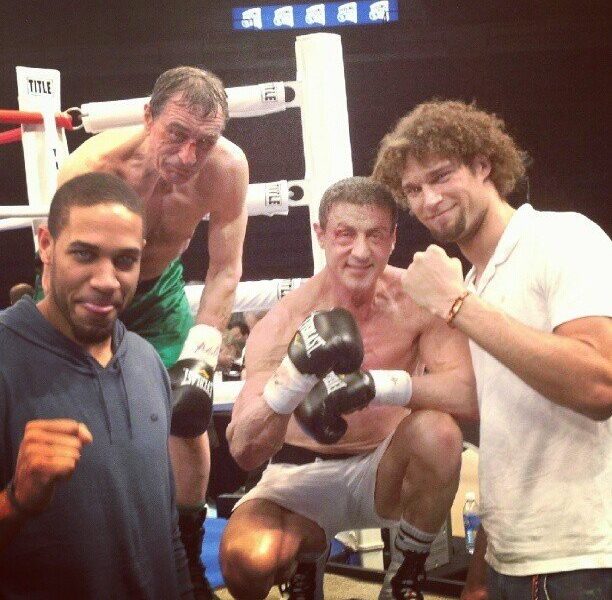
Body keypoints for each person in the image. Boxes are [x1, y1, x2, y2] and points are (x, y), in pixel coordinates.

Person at [373, 99, 612, 600]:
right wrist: (481, 574)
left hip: (585, 561)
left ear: (483, 165)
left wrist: (455, 305)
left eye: (441, 176)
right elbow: (511, 438)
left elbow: (600, 384)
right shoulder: (475, 284)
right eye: (413, 189)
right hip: (511, 559)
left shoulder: (562, 237)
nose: (428, 199)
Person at [219, 176, 477, 600]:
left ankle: (403, 577)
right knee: (246, 564)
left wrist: (378, 385)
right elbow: (244, 450)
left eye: (375, 235)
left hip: (384, 468)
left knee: (440, 433)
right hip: (299, 473)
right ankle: (309, 551)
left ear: (393, 239)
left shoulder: (416, 301)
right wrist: (293, 379)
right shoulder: (283, 322)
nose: (360, 251)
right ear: (321, 235)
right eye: (345, 234)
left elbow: (467, 395)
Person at [52, 66, 249, 598]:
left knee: (187, 414)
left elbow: (225, 268)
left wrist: (201, 354)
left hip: (159, 291)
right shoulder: (92, 168)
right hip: (91, 289)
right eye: (176, 134)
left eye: (204, 141)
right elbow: (63, 260)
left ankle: (188, 557)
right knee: (73, 414)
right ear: (148, 116)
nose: (188, 155)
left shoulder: (226, 169)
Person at [0, 173, 193, 599]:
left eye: (124, 260)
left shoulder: (147, 361)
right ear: (46, 244)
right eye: (85, 254)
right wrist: (15, 502)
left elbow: (166, 534)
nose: (107, 280)